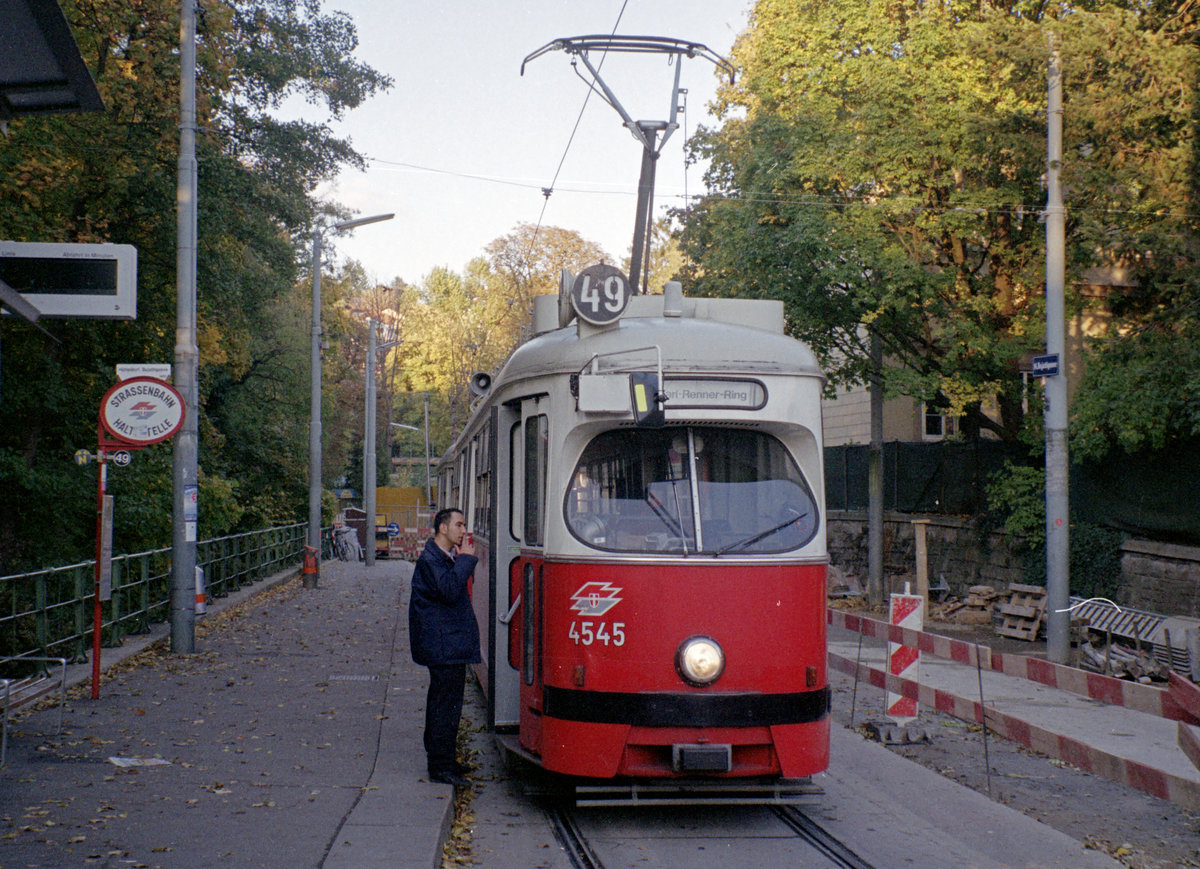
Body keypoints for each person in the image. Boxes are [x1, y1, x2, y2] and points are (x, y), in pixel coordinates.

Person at [408, 508, 480, 787]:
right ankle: (439, 766)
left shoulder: (442, 557)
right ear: (442, 528)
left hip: (447, 643)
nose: (463, 531)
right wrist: (468, 559)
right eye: (459, 525)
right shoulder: (431, 559)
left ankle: (445, 759)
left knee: (448, 703)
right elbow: (449, 589)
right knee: (444, 705)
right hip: (442, 645)